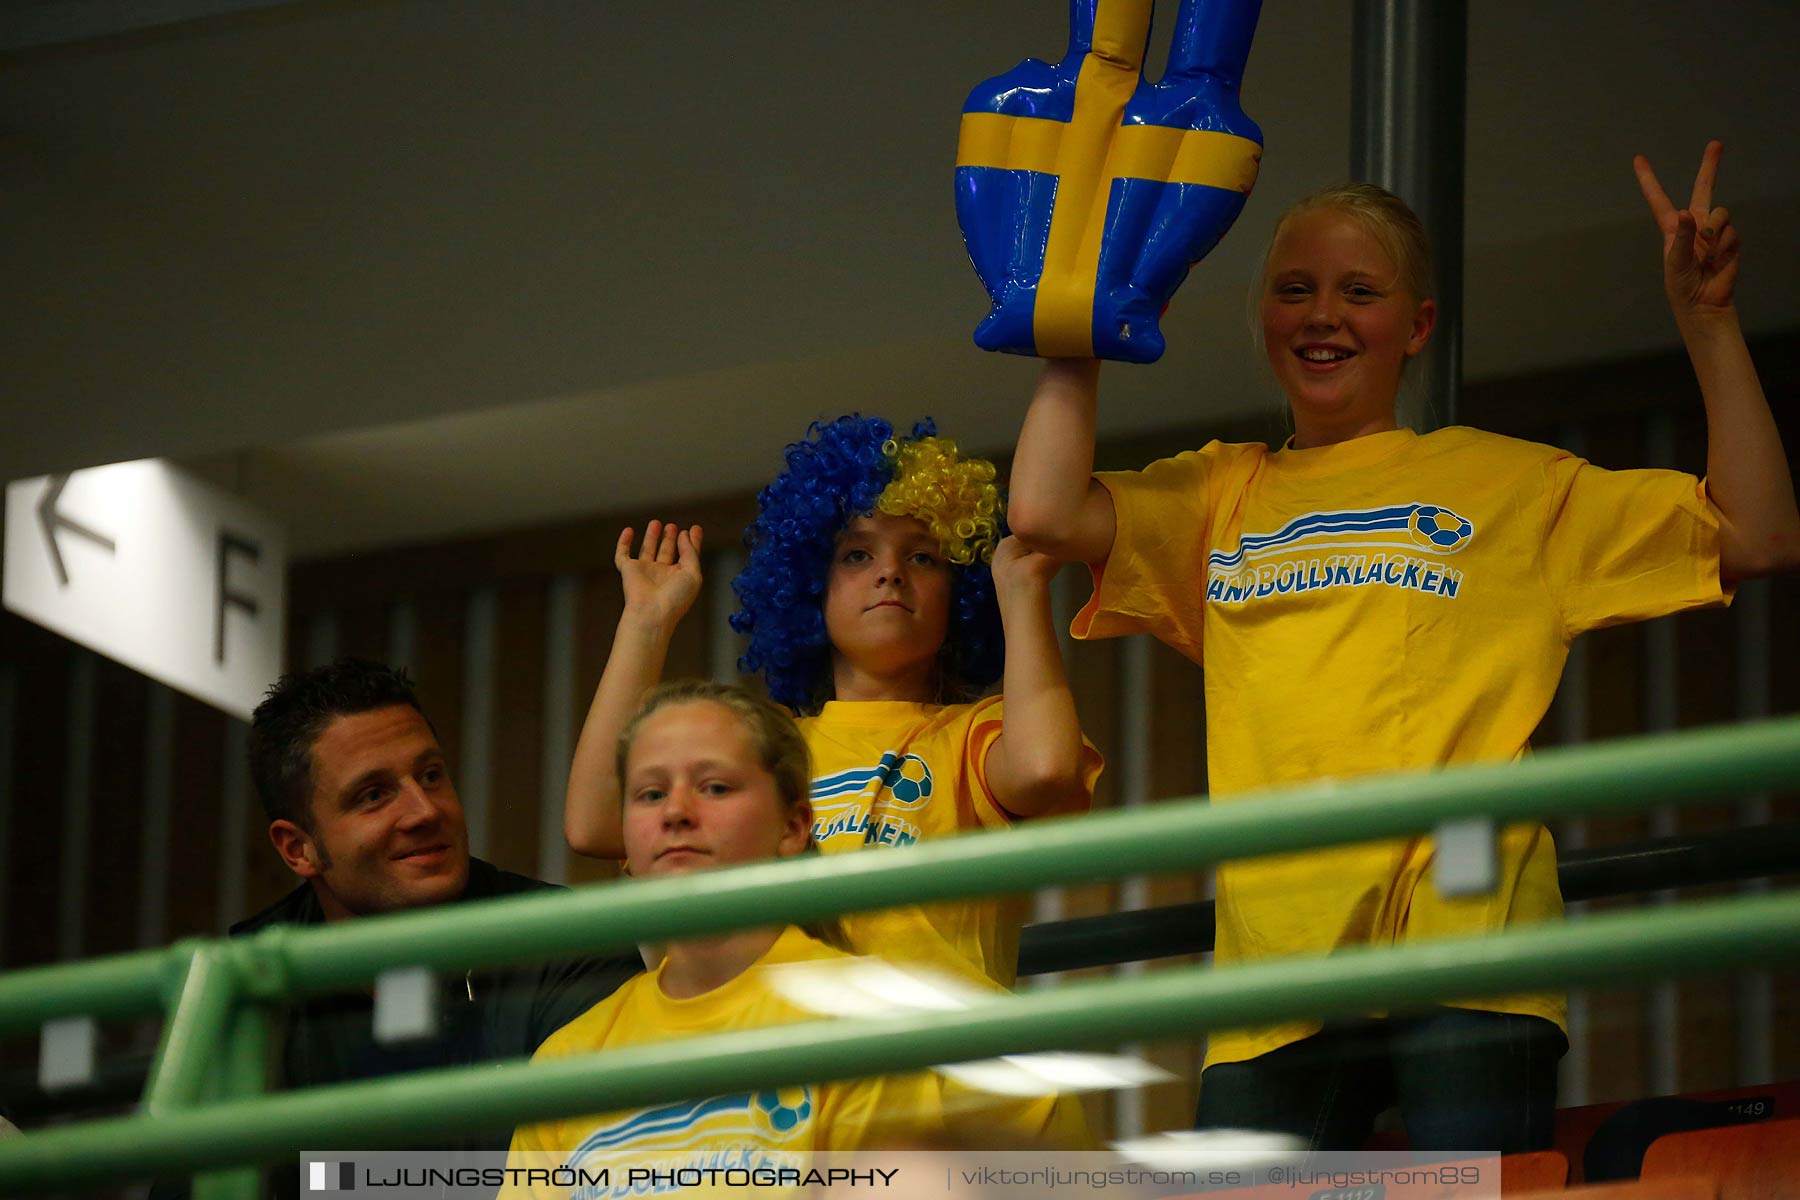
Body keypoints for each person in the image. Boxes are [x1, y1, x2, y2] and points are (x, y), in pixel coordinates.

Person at [1005, 143, 1800, 1151]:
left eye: (1359, 291)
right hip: (1274, 971)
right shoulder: (1216, 493)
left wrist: (1709, 321)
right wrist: (1081, 329)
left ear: (1417, 326)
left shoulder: (1509, 482)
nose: (1322, 314)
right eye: (1294, 290)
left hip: (1468, 928)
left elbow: (1762, 535)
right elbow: (1039, 510)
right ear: (1264, 324)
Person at [564, 418, 1102, 988]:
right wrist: (646, 623)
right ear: (810, 589)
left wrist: (1021, 591)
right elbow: (598, 825)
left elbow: (1045, 771)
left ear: (962, 591)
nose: (890, 572)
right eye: (856, 556)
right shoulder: (760, 746)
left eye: (923, 557)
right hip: (768, 1056)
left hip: (929, 1065)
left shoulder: (979, 734)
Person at [505, 682, 1086, 1195]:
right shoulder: (568, 1062)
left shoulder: (867, 1024)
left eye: (713, 787)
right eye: (650, 793)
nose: (676, 812)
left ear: (793, 827)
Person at [156, 658, 640, 1200]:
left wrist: (332, 1180)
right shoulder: (243, 990)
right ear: (300, 848)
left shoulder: (568, 942)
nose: (423, 810)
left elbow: (604, 1177)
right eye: (373, 795)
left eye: (431, 775)